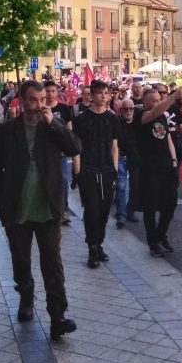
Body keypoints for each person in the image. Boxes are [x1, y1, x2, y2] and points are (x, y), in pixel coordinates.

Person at [0, 80, 80, 340]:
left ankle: (58, 317)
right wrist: (4, 192)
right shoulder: (7, 131)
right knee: (21, 259)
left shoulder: (51, 127)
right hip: (17, 208)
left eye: (42, 100)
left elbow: (74, 147)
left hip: (48, 207)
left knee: (52, 263)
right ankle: (26, 295)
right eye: (33, 100)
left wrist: (54, 124)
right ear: (22, 100)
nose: (39, 105)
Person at [136, 86, 182, 256]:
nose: (158, 103)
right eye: (154, 101)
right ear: (145, 102)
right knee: (150, 207)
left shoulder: (163, 116)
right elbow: (152, 113)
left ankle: (161, 234)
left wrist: (174, 160)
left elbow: (168, 138)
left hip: (167, 166)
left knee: (171, 203)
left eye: (159, 100)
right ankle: (153, 242)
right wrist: (173, 97)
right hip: (150, 169)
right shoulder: (141, 115)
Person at [72, 80, 120, 268]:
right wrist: (78, 172)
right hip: (88, 170)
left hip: (107, 170)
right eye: (99, 93)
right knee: (91, 210)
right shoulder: (82, 118)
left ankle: (99, 243)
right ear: (91, 95)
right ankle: (91, 247)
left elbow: (115, 146)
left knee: (105, 210)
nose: (102, 96)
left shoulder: (112, 118)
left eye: (105, 93)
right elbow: (76, 147)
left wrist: (115, 169)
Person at [44, 80, 74, 225]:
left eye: (53, 91)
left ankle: (64, 210)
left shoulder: (64, 109)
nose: (50, 94)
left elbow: (69, 130)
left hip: (60, 153)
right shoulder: (41, 109)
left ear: (57, 92)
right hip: (45, 152)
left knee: (63, 180)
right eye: (47, 91)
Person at [115, 98, 140, 227]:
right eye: (126, 109)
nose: (129, 111)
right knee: (121, 186)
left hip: (135, 159)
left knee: (135, 186)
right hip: (121, 158)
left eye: (131, 109)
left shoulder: (139, 121)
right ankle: (121, 214)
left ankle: (130, 211)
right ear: (121, 110)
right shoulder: (116, 122)